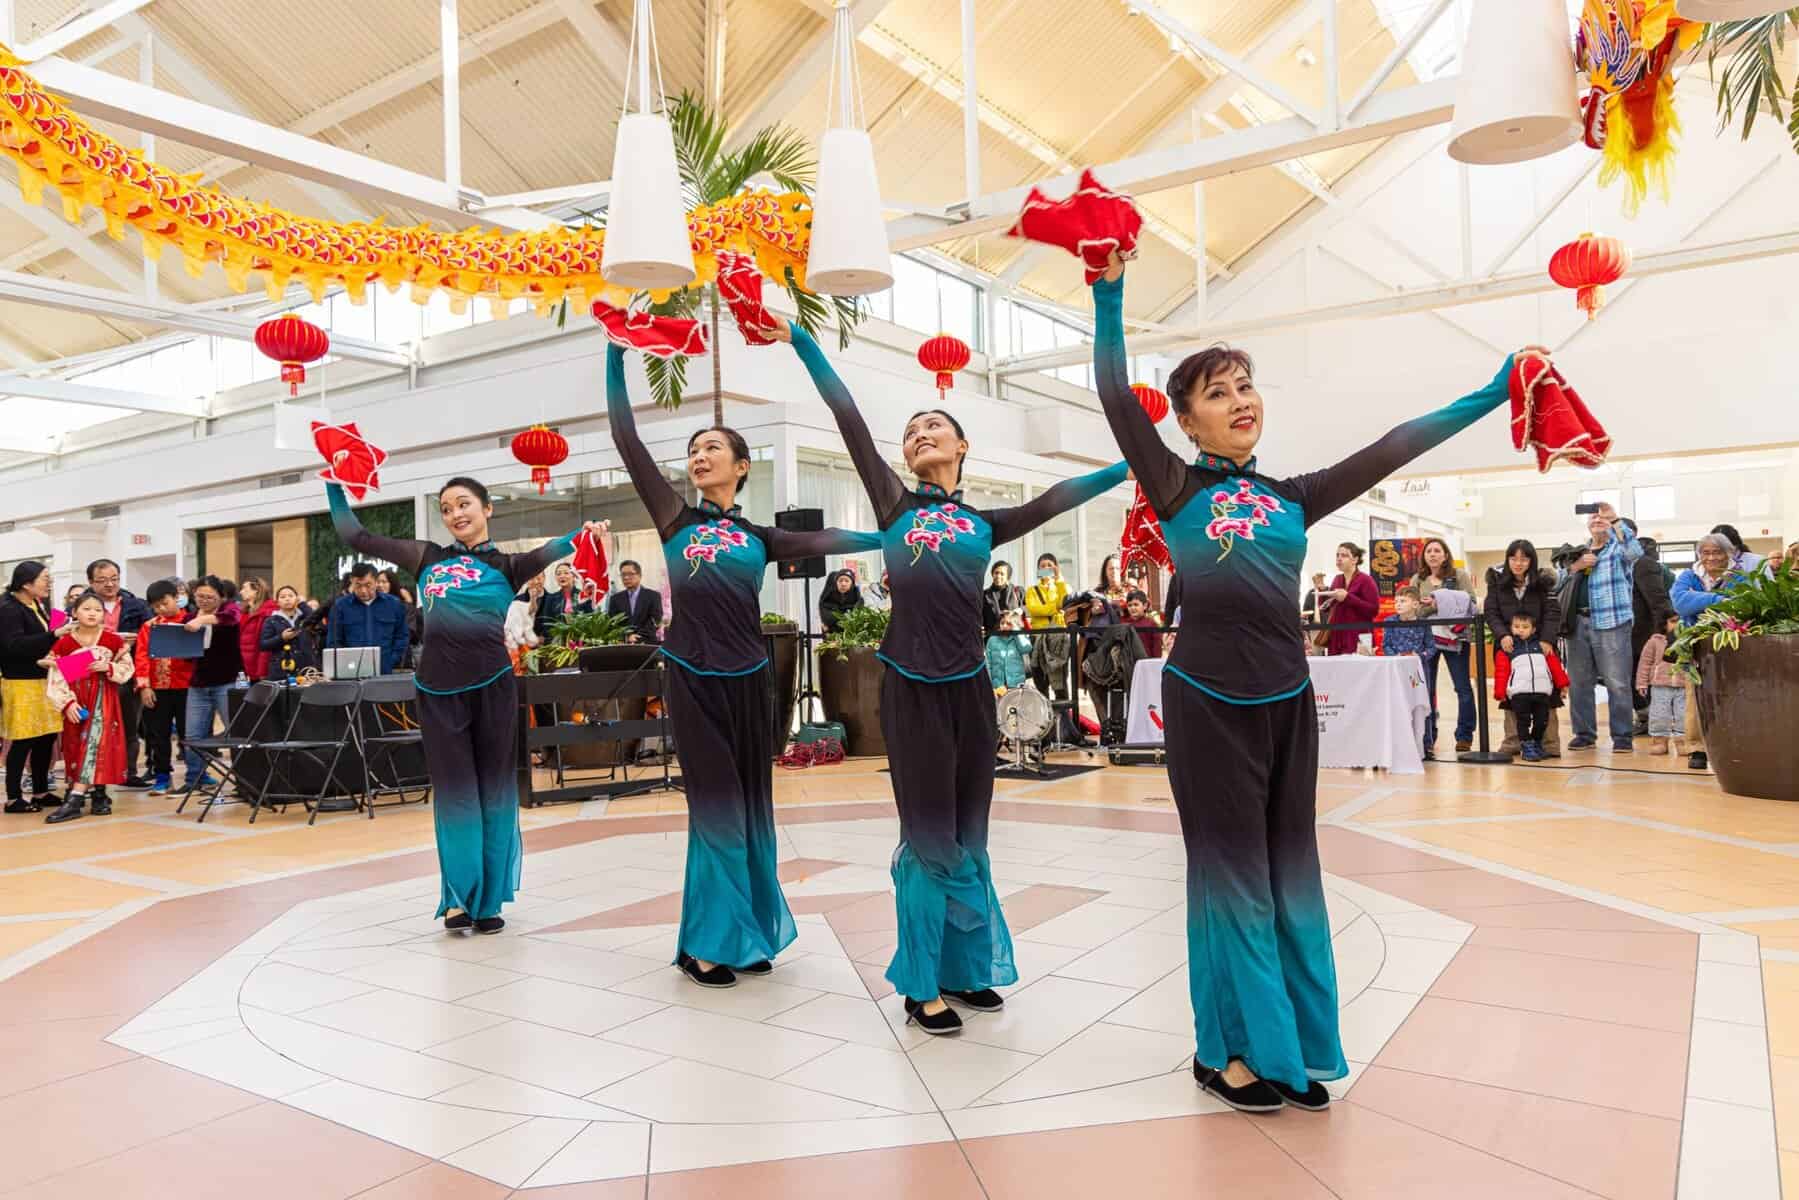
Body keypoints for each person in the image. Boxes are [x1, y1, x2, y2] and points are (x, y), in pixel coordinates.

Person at [1090, 255, 1536, 1113]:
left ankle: (1289, 1044)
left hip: (1286, 701)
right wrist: (1108, 291)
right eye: (1217, 392)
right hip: (1207, 702)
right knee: (1228, 876)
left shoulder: (1293, 497)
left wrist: (1491, 392)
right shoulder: (1173, 485)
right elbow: (1114, 394)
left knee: (1291, 870)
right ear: (1185, 420)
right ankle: (1226, 1050)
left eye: (1246, 384)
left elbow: (1394, 444)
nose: (1240, 399)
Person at [779, 317, 1128, 1036]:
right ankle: (922, 982)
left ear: (963, 446)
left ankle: (967, 969)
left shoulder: (984, 523)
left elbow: (1061, 496)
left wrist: (1132, 465)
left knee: (972, 833)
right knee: (927, 835)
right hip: (909, 688)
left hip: (971, 691)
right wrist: (802, 342)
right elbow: (845, 415)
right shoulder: (893, 507)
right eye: (910, 431)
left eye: (934, 424)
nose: (919, 435)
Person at [607, 342, 876, 986]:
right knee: (716, 807)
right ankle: (706, 943)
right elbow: (627, 439)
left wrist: (892, 532)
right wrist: (616, 354)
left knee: (753, 804)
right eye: (693, 450)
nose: (698, 457)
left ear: (741, 466)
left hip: (751, 681)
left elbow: (834, 539)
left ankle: (746, 932)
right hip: (693, 680)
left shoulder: (760, 539)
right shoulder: (673, 520)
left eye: (712, 449)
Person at [329, 476, 604, 933]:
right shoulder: (426, 558)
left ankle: (489, 899)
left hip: (493, 689)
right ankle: (458, 898)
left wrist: (587, 531)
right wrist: (334, 481)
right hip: (438, 692)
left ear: (487, 509)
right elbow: (356, 535)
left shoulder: (509, 564)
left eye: (465, 504)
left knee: (494, 791)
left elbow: (561, 546)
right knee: (455, 794)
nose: (456, 514)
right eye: (447, 508)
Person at [42, 592, 136, 823]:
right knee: (76, 745)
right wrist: (67, 703)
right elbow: (56, 675)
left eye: (97, 609)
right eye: (86, 609)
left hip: (105, 701)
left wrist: (109, 667)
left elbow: (127, 669)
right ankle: (98, 794)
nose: (93, 613)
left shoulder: (113, 640)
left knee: (98, 742)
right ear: (74, 613)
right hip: (77, 701)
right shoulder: (65, 642)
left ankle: (77, 798)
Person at [1559, 502, 1643, 753]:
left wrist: (1615, 520)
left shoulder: (1618, 550)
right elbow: (1557, 584)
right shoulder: (1577, 552)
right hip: (1577, 624)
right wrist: (1576, 567)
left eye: (1601, 517)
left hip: (1613, 624)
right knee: (1579, 683)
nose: (1597, 519)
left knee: (1617, 681)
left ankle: (1622, 737)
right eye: (1593, 517)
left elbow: (1635, 552)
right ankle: (1584, 734)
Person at [1671, 532, 1752, 772]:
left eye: (1717, 552)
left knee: (1733, 694)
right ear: (1699, 555)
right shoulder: (1688, 575)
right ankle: (1697, 749)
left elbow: (1740, 602)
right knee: (1695, 697)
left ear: (1728, 554)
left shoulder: (1738, 576)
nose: (1712, 558)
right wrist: (1718, 598)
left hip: (1732, 641)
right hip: (1696, 644)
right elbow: (1681, 603)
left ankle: (1735, 745)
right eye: (1706, 552)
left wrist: (1700, 599)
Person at [1485, 539, 1564, 757]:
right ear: (1508, 559)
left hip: (1540, 647)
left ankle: (1549, 743)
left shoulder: (1543, 583)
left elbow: (1552, 613)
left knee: (1547, 690)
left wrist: (1547, 639)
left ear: (1532, 560)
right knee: (1512, 692)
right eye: (1514, 558)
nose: (1518, 563)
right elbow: (1491, 613)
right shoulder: (1497, 583)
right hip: (1509, 648)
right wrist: (1502, 635)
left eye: (1524, 558)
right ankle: (1513, 742)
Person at [82, 559, 152, 791]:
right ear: (91, 582)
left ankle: (128, 772)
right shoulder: (83, 606)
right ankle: (94, 775)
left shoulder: (136, 605)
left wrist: (136, 638)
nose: (109, 585)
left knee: (130, 724)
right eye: (102, 580)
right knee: (96, 726)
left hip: (126, 671)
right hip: (92, 674)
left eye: (114, 579)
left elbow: (150, 634)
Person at [2, 563, 64, 813]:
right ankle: (13, 797)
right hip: (21, 683)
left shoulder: (36, 604)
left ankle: (40, 791)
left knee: (46, 737)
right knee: (23, 739)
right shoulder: (8, 609)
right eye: (44, 579)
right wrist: (54, 634)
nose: (48, 583)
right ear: (26, 583)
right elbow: (13, 646)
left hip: (41, 678)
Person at [1412, 538, 1477, 753]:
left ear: (1446, 554)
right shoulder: (1418, 579)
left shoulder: (1459, 576)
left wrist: (1438, 602)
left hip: (1456, 639)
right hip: (1427, 640)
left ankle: (1464, 735)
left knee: (1462, 688)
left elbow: (1471, 602)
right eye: (1428, 551)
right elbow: (1414, 611)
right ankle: (1428, 737)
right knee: (1427, 689)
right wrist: (1436, 607)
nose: (1432, 554)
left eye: (1437, 550)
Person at [181, 577, 242, 791]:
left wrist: (203, 620)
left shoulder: (230, 610)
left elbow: (231, 619)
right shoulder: (189, 617)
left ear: (221, 597)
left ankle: (244, 779)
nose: (204, 600)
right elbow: (186, 654)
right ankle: (194, 779)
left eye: (210, 597)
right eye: (200, 596)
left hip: (227, 681)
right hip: (198, 683)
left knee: (236, 732)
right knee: (193, 735)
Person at [134, 580, 192, 795]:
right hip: (157, 688)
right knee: (158, 734)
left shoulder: (190, 621)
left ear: (176, 597)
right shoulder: (149, 627)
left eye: (164, 603)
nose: (161, 609)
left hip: (186, 686)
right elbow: (141, 658)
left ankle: (196, 773)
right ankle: (162, 776)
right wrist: (144, 687)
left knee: (190, 733)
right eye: (156, 606)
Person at [1618, 519, 1674, 736]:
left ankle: (1649, 719)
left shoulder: (1643, 563)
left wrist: (1663, 632)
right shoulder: (1621, 562)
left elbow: (1658, 600)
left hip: (1642, 633)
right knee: (1634, 676)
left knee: (1640, 677)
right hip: (1627, 633)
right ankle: (1647, 718)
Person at [1495, 610, 1569, 763]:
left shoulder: (1542, 647)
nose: (1520, 630)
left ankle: (1536, 743)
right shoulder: (1508, 649)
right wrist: (1500, 692)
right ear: (1511, 628)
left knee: (1542, 720)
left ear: (1533, 629)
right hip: (1519, 693)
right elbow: (1502, 671)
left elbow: (1555, 667)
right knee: (1522, 721)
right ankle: (1526, 746)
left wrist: (1563, 684)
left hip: (1542, 692)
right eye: (1516, 626)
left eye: (1524, 627)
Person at [1378, 587, 1437, 758]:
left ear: (1416, 604)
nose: (1398, 604)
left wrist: (1419, 656)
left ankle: (1426, 744)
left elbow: (1431, 647)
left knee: (1421, 703)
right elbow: (1386, 645)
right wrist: (1396, 656)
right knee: (1397, 702)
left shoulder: (1423, 624)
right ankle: (1398, 741)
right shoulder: (1390, 621)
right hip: (1396, 669)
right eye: (1396, 601)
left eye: (1403, 601)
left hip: (1418, 671)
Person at [327, 563, 411, 675]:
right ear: (351, 582)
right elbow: (334, 641)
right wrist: (346, 663)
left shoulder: (394, 604)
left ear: (376, 582)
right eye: (358, 585)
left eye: (368, 585)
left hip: (385, 670)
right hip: (351, 672)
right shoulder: (340, 606)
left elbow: (402, 636)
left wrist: (391, 660)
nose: (363, 591)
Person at [1636, 611, 1685, 756]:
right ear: (1664, 623)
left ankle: (1682, 741)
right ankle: (1659, 741)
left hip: (1683, 685)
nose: (1677, 625)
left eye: (1680, 621)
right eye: (1673, 621)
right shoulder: (1655, 641)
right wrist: (1642, 683)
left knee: (1683, 715)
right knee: (1659, 714)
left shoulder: (1688, 640)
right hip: (1660, 685)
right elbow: (1645, 663)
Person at [1324, 543, 1379, 657]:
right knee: (1336, 672)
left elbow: (1374, 610)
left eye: (1344, 555)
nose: (1339, 558)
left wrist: (1348, 598)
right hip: (1337, 637)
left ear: (1355, 559)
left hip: (1359, 637)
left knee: (1360, 672)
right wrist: (1321, 593)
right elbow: (1328, 608)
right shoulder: (1337, 579)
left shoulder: (1366, 580)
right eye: (1337, 555)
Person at [259, 586, 317, 681]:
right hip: (281, 671)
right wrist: (282, 637)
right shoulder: (271, 620)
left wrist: (302, 604)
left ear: (296, 598)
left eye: (291, 596)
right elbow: (263, 644)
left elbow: (317, 622)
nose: (287, 599)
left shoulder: (305, 617)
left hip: (306, 669)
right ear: (277, 602)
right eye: (282, 597)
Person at [606, 560, 663, 644]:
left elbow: (656, 619)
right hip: (623, 644)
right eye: (623, 575)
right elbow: (612, 623)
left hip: (647, 643)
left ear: (639, 575)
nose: (626, 578)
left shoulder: (653, 596)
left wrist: (637, 636)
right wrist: (627, 636)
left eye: (630, 574)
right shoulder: (615, 598)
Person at [535, 562, 592, 641]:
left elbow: (590, 619)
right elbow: (547, 626)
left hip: (581, 641)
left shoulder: (583, 596)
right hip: (558, 644)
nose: (562, 576)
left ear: (573, 576)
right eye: (558, 574)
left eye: (566, 573)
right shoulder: (550, 599)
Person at [236, 577, 277, 682]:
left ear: (257, 590)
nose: (241, 592)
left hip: (261, 672)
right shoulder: (245, 612)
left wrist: (262, 672)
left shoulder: (268, 612)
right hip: (246, 671)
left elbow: (266, 646)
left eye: (245, 588)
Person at [984, 610, 1031, 692]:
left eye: (1009, 623)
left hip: (1016, 684)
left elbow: (1026, 648)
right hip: (998, 685)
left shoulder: (1018, 638)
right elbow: (988, 663)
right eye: (1002, 623)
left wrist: (1016, 631)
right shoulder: (992, 639)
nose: (1004, 626)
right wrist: (990, 683)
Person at [981, 561, 1024, 639]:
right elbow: (980, 616)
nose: (998, 576)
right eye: (996, 573)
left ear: (1008, 576)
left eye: (1002, 574)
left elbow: (1027, 608)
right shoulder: (984, 595)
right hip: (992, 640)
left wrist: (1017, 611)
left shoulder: (1017, 591)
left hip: (1014, 640)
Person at [818, 568, 864, 634]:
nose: (843, 584)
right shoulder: (827, 599)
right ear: (836, 583)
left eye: (847, 581)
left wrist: (839, 617)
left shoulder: (859, 600)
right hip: (832, 637)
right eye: (840, 581)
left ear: (852, 583)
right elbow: (828, 619)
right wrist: (847, 616)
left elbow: (857, 620)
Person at [1123, 590, 1163, 659]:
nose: (1132, 608)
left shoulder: (1151, 624)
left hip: (1146, 663)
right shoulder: (1124, 624)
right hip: (1129, 664)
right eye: (1130, 605)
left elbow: (1157, 648)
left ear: (1145, 606)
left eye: (1136, 604)